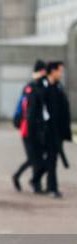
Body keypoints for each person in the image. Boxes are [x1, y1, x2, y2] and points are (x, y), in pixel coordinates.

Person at [12, 60, 49, 193]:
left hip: (35, 129)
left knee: (35, 158)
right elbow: (31, 112)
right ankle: (33, 183)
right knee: (35, 159)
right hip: (29, 129)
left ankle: (29, 180)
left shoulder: (37, 86)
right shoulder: (32, 87)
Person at [40, 61, 72, 198]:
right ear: (52, 71)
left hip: (58, 131)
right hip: (49, 131)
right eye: (59, 71)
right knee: (51, 160)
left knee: (51, 160)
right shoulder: (45, 88)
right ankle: (52, 187)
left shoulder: (57, 86)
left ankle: (45, 183)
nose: (61, 73)